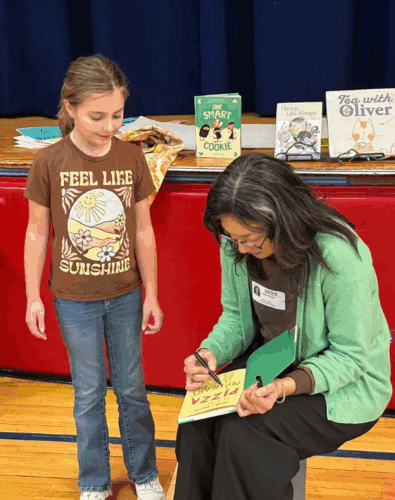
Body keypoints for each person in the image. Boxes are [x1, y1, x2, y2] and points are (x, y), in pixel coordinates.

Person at [175, 153, 390, 500]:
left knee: (244, 435)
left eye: (250, 239)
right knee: (197, 423)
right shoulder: (235, 245)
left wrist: (284, 387)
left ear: (282, 220)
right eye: (232, 238)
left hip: (343, 382)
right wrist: (208, 352)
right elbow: (235, 318)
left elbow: (351, 357)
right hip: (273, 360)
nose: (240, 248)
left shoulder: (339, 255)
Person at [22, 54, 165, 500]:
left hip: (125, 294)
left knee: (132, 390)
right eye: (96, 116)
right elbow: (36, 231)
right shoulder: (49, 162)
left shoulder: (131, 156)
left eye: (118, 115)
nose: (109, 126)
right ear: (69, 108)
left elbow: (143, 229)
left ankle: (144, 474)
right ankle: (94, 482)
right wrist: (33, 297)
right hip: (72, 299)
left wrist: (152, 295)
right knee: (87, 395)